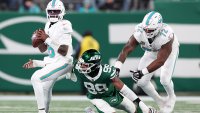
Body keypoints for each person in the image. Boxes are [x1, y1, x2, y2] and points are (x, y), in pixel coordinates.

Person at [114, 11, 179, 113]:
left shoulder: (167, 35)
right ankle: (160, 101)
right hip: (151, 51)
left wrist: (142, 72)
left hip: (168, 51)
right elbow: (127, 49)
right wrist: (117, 67)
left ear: (159, 27)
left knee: (165, 80)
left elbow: (160, 61)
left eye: (150, 30)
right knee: (141, 82)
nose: (147, 32)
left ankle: (171, 97)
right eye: (146, 29)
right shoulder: (139, 31)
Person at [23, 0, 73, 113]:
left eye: (56, 11)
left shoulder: (65, 24)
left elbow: (64, 51)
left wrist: (46, 39)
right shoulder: (47, 24)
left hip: (64, 61)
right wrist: (39, 41)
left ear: (62, 11)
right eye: (51, 11)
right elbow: (44, 49)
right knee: (45, 88)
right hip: (53, 62)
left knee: (35, 78)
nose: (53, 13)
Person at [71, 49, 157, 113]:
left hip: (112, 94)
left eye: (85, 65)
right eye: (81, 64)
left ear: (95, 66)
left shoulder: (107, 73)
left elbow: (125, 90)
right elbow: (65, 69)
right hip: (96, 98)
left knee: (133, 108)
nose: (81, 67)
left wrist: (141, 104)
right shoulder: (77, 68)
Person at [72, 30, 100, 95]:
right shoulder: (95, 42)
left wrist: (76, 59)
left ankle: (84, 92)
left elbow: (77, 50)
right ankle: (95, 91)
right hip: (95, 62)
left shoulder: (82, 41)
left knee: (84, 77)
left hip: (84, 62)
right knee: (95, 76)